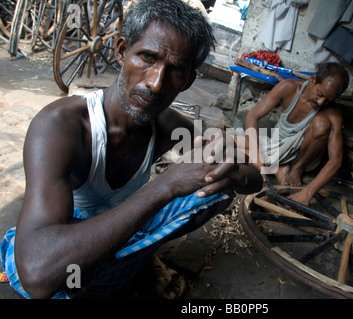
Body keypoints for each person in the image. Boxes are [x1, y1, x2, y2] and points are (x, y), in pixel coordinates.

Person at [0, 0, 262, 299]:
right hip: (63, 253)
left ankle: (131, 265)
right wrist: (166, 185)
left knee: (214, 189)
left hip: (122, 230)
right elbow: (37, 276)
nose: (155, 82)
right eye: (147, 57)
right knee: (62, 278)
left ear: (188, 80)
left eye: (175, 70)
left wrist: (230, 164)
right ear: (122, 50)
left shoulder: (166, 125)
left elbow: (254, 180)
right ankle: (116, 273)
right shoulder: (61, 125)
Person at [243, 62, 349, 206]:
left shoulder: (333, 112)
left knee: (321, 124)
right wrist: (256, 156)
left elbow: (336, 160)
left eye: (328, 100)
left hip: (303, 156)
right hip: (278, 144)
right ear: (313, 79)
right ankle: (279, 167)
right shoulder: (289, 87)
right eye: (320, 95)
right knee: (235, 150)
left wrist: (307, 193)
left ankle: (296, 168)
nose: (321, 102)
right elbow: (252, 116)